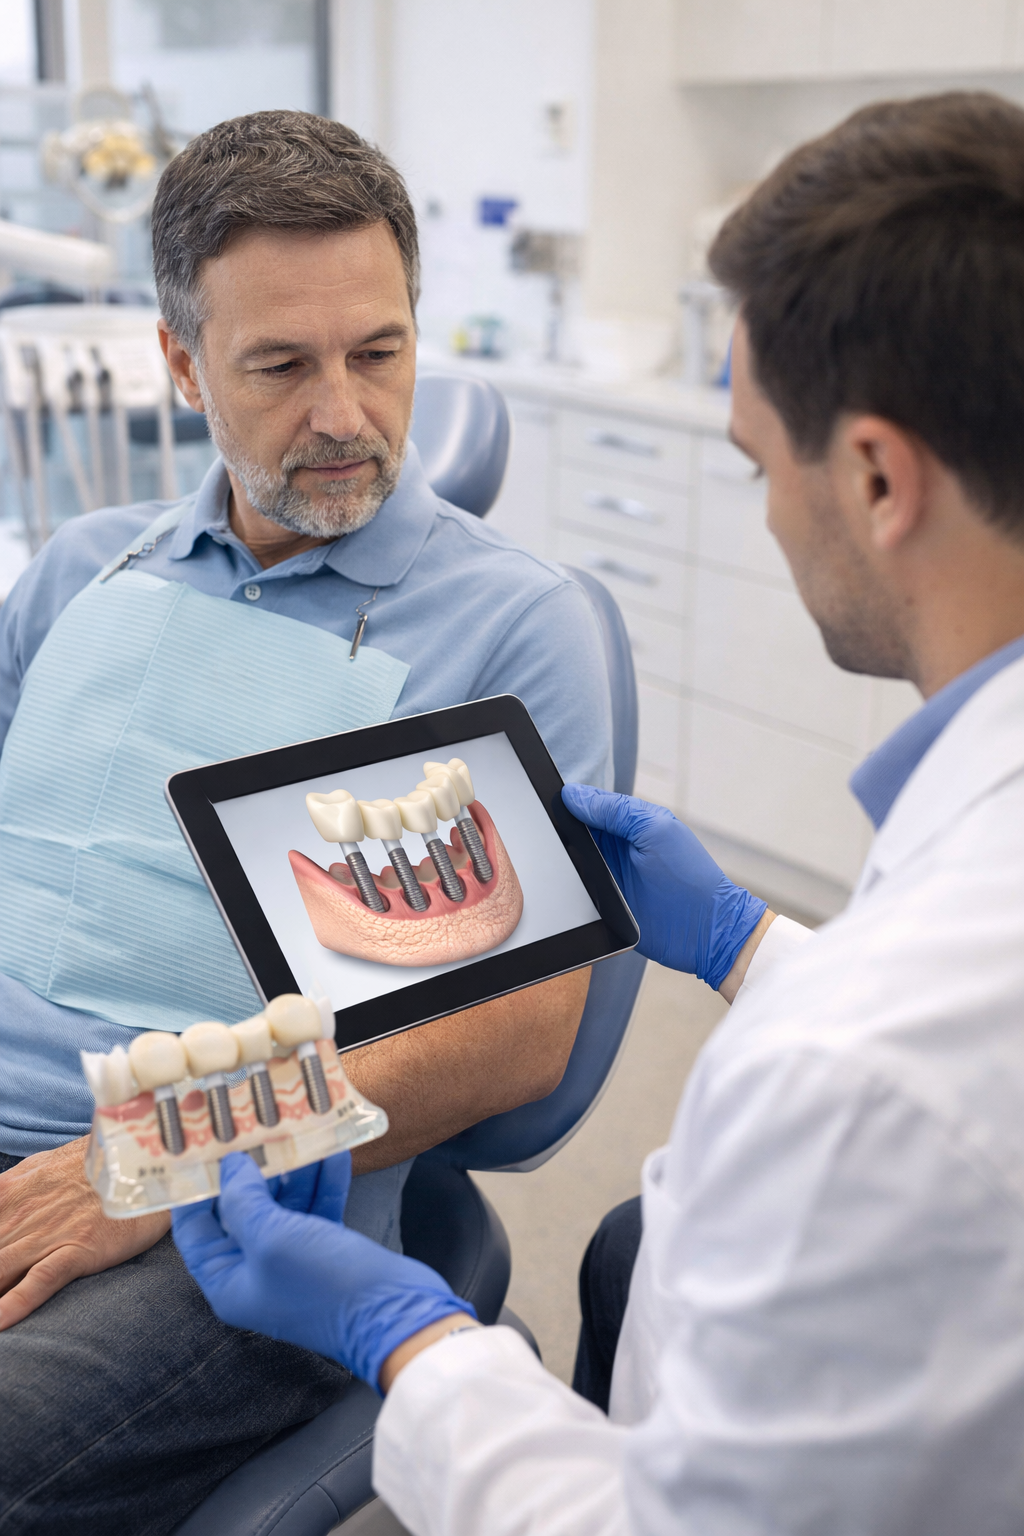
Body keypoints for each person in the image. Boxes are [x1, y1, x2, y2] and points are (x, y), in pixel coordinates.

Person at [174, 91, 1024, 1534]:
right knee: (632, 1251)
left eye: (757, 464)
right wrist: (754, 943)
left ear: (880, 478)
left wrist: (408, 1338)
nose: (767, 514)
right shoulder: (95, 570)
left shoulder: (856, 1072)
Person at [0, 112, 613, 1532]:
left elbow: (515, 1033)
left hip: (228, 1214)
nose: (344, 413)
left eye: (378, 354)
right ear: (183, 366)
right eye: (281, 367)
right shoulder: (85, 571)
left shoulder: (511, 627)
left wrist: (144, 1161)